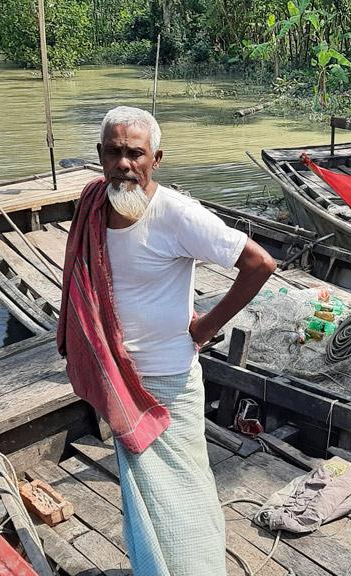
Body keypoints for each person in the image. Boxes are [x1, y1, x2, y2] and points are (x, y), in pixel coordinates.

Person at [56, 106, 276, 575]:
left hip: (169, 381)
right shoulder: (95, 204)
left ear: (157, 158)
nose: (124, 164)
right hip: (119, 378)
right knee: (144, 498)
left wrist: (206, 325)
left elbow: (260, 264)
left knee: (183, 494)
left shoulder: (177, 214)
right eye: (114, 153)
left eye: (135, 154)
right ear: (99, 155)